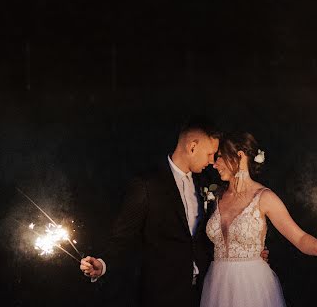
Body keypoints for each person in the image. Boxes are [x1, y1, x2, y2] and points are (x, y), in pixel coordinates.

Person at [80, 119, 266, 307]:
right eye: (210, 154)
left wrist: (246, 249)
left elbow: (216, 229)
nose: (212, 162)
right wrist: (102, 264)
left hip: (206, 292)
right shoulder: (147, 185)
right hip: (162, 295)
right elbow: (123, 237)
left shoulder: (207, 182)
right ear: (192, 147)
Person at [200, 132, 317, 307]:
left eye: (220, 157)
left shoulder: (264, 197)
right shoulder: (216, 197)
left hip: (251, 285)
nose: (215, 165)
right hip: (216, 285)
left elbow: (298, 237)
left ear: (239, 155)